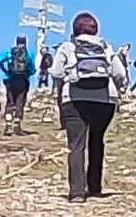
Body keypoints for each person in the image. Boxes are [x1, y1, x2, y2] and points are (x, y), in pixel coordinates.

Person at [51, 11, 119, 203]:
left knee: (76, 145)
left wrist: (62, 85)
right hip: (105, 100)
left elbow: (56, 72)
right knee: (97, 141)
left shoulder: (67, 47)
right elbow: (119, 72)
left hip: (74, 99)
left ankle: (77, 192)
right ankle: (95, 186)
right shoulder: (106, 47)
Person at [0, 35, 35, 134]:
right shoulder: (29, 54)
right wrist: (28, 73)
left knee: (10, 102)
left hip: (10, 79)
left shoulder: (10, 52)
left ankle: (8, 124)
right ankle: (17, 126)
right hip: (22, 80)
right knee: (20, 102)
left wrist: (6, 71)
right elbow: (32, 69)